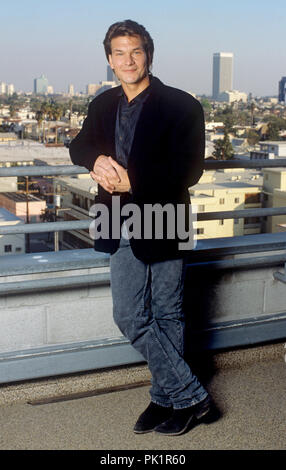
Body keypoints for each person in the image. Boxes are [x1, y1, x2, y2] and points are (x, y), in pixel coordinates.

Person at [69, 19, 214, 436]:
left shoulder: (180, 104)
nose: (128, 60)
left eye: (135, 51)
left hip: (166, 213)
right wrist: (93, 159)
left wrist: (136, 180)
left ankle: (167, 398)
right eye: (119, 53)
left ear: (148, 54)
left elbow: (191, 169)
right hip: (116, 216)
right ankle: (190, 394)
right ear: (109, 59)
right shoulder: (103, 104)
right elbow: (80, 143)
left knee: (168, 312)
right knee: (130, 314)